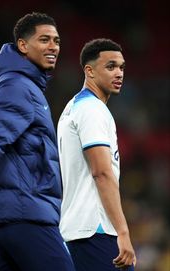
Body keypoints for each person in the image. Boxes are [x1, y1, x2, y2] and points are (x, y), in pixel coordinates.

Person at [0, 12, 76, 271]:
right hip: (26, 215)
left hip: (12, 216)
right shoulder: (18, 86)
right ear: (23, 45)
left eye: (57, 41)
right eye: (45, 40)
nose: (53, 47)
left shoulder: (26, 87)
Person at [57, 38, 137, 271]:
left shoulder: (73, 107)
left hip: (78, 229)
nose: (119, 73)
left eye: (121, 67)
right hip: (97, 229)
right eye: (110, 66)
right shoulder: (93, 110)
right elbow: (101, 173)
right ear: (89, 71)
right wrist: (122, 231)